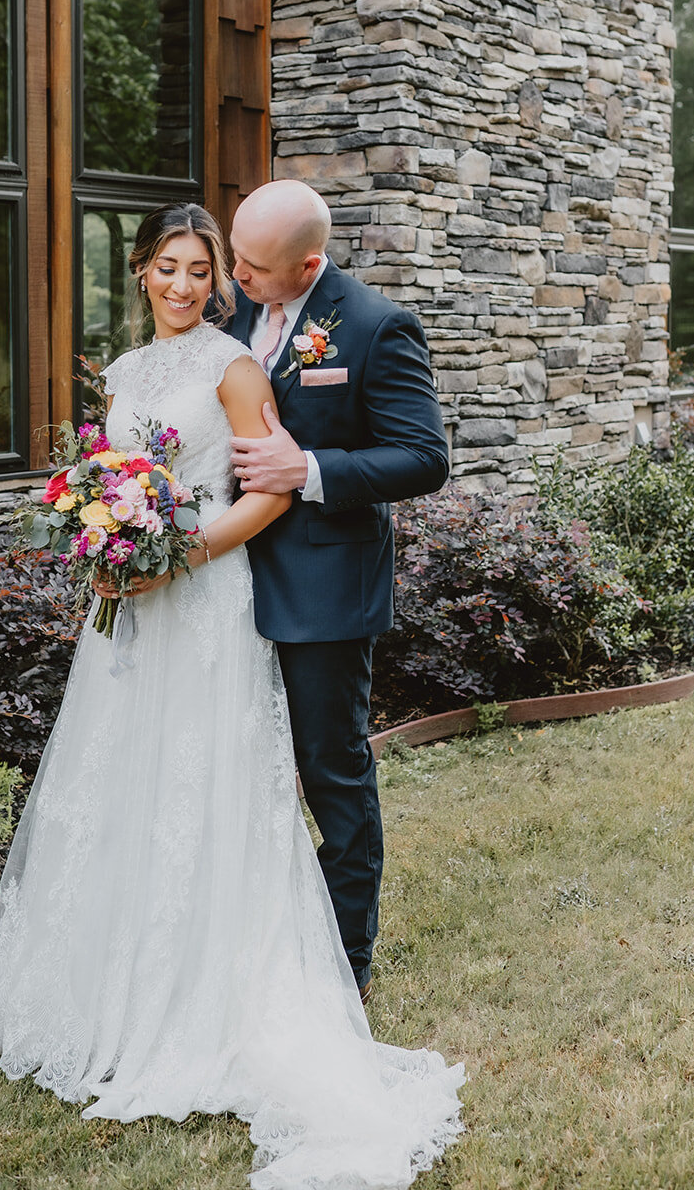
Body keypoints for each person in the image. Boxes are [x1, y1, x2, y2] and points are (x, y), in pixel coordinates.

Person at [0, 202, 463, 1190]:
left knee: (307, 774)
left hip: (254, 590)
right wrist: (107, 542)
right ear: (141, 270)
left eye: (212, 269)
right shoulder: (133, 372)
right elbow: (119, 475)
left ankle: (335, 974)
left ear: (276, 266)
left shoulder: (318, 336)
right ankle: (114, 976)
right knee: (124, 785)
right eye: (172, 267)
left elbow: (382, 459)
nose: (194, 284)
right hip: (150, 609)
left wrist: (180, 548)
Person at [226, 180, 450, 1000]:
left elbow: (424, 457)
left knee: (332, 772)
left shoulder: (375, 326)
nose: (235, 276)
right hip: (225, 583)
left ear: (309, 264)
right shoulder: (234, 313)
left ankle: (345, 963)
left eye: (252, 267)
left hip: (323, 589)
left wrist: (309, 470)